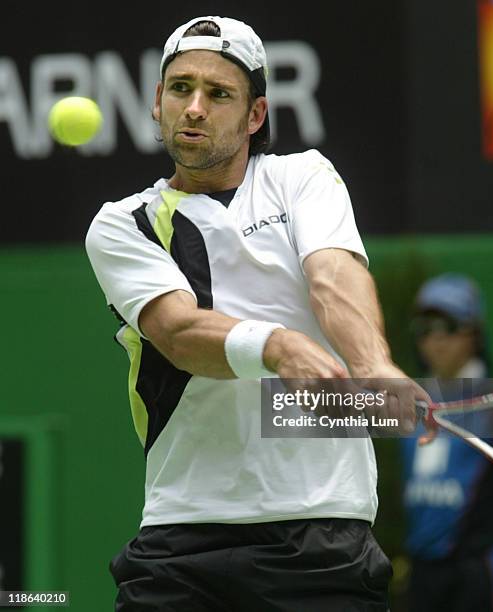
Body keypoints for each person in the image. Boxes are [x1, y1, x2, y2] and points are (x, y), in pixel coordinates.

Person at [85, 15, 429, 611]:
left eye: (219, 94)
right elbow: (180, 331)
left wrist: (375, 367)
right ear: (156, 104)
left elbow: (333, 278)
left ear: (255, 116)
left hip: (323, 535)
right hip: (183, 538)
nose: (194, 108)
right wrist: (279, 346)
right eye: (180, 88)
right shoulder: (123, 223)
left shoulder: (303, 177)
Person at [400, 273, 493, 612]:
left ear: (472, 333)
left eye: (448, 325)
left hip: (480, 575)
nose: (436, 339)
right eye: (425, 327)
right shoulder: (410, 405)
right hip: (422, 575)